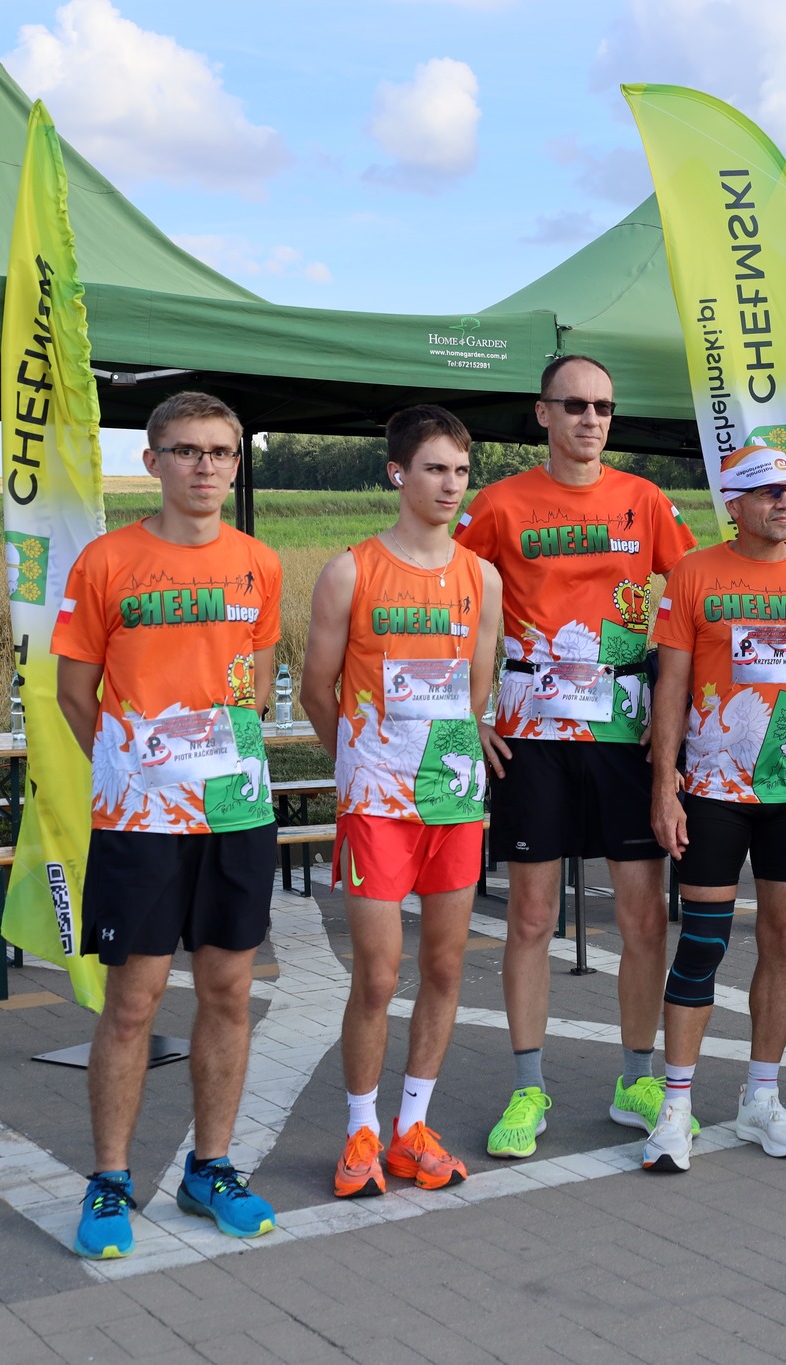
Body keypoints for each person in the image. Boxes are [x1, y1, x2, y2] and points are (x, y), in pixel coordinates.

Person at [54, 391, 283, 1259]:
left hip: (235, 809)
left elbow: (256, 689)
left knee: (229, 991)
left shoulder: (259, 563)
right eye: (187, 450)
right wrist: (135, 771)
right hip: (141, 816)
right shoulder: (106, 561)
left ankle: (210, 1168)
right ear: (152, 462)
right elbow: (76, 693)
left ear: (236, 463)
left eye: (220, 452)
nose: (205, 466)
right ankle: (110, 1179)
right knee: (133, 1001)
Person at [454, 355, 698, 1157]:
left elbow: (694, 597)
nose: (591, 419)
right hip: (532, 736)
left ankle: (636, 1079)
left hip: (625, 736)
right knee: (530, 916)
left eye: (603, 407)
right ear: (543, 413)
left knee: (642, 916)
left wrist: (680, 716)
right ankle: (528, 1087)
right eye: (575, 405)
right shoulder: (499, 504)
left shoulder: (645, 500)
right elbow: (450, 597)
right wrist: (466, 711)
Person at [300, 406, 504, 1199]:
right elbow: (317, 688)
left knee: (445, 965)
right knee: (378, 976)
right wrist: (359, 761)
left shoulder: (481, 578)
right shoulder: (350, 571)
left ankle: (413, 1125)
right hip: (377, 802)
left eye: (460, 470)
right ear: (397, 473)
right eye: (434, 468)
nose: (450, 484)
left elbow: (475, 694)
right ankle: (360, 1127)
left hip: (452, 799)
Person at [640, 444, 786, 1170]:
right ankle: (676, 1106)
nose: (785, 501)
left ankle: (760, 1097)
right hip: (713, 790)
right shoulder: (694, 572)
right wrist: (664, 783)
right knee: (702, 943)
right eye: (768, 492)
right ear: (732, 505)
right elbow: (671, 684)